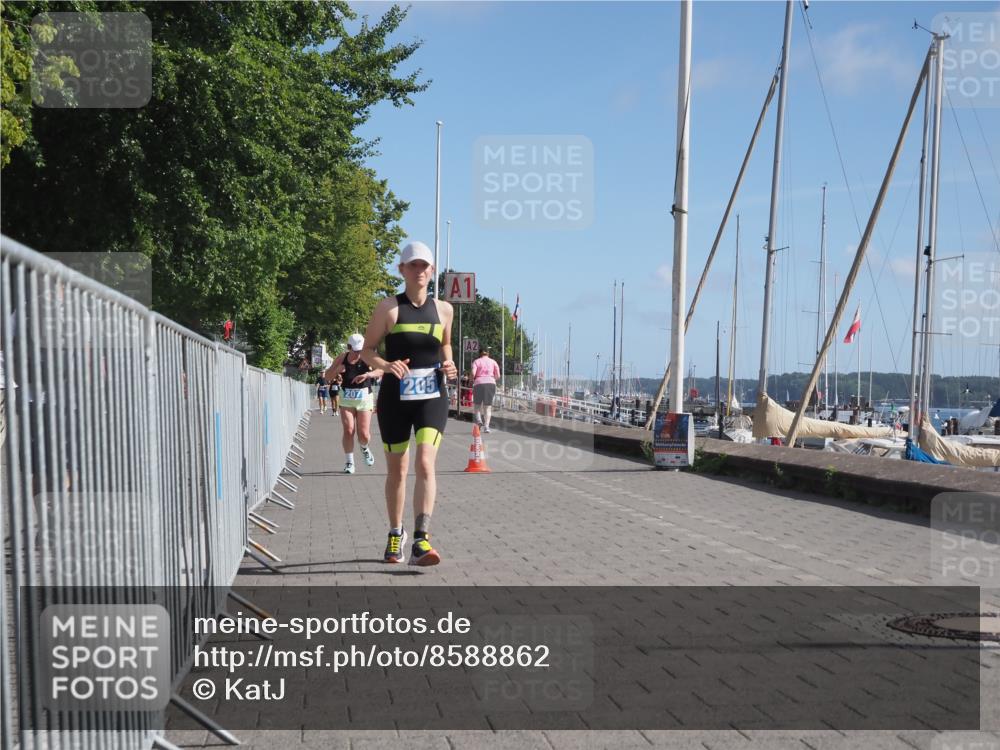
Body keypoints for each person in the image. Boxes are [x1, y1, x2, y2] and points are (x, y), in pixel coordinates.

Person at [360, 240, 456, 566]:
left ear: (432, 271)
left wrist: (449, 363)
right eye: (413, 265)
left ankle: (421, 540)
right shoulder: (388, 308)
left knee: (425, 463)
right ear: (401, 269)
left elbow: (445, 345)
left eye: (424, 265)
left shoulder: (444, 310)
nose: (419, 270)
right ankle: (395, 532)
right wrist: (386, 366)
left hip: (432, 396)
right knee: (398, 471)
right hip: (395, 399)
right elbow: (367, 350)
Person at [326, 334, 382, 474]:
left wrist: (368, 375)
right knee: (349, 430)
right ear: (349, 347)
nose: (358, 353)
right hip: (346, 398)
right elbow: (327, 377)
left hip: (364, 398)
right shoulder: (342, 358)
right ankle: (349, 462)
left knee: (363, 434)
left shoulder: (368, 356)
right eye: (356, 350)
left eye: (360, 350)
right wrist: (336, 370)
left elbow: (382, 369)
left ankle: (364, 448)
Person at [471, 347, 500, 433]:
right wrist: (492, 378)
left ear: (480, 353)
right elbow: (498, 376)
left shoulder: (476, 361)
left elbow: (473, 373)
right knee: (487, 407)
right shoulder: (493, 362)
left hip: (479, 383)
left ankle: (479, 421)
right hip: (490, 383)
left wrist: (472, 379)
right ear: (488, 353)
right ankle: (486, 427)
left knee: (477, 405)